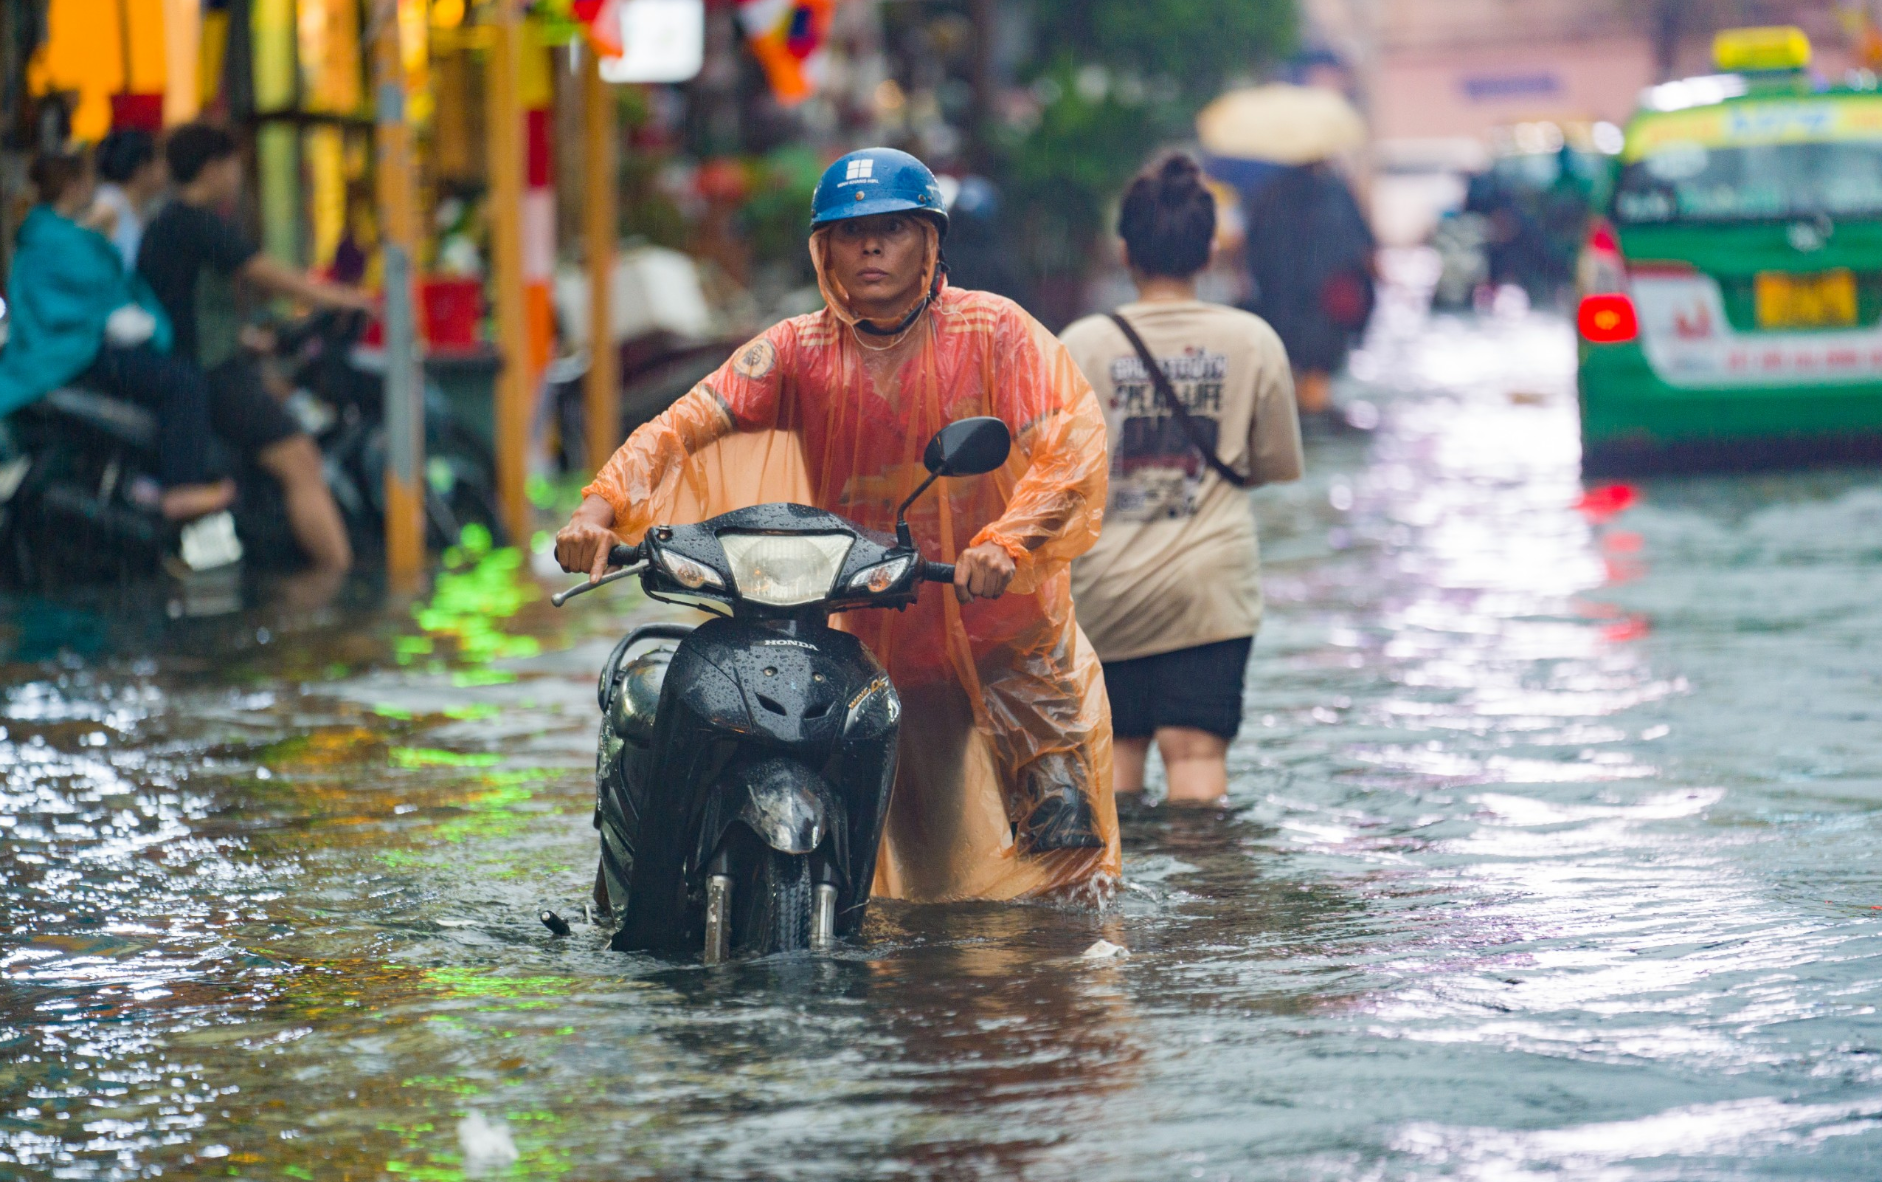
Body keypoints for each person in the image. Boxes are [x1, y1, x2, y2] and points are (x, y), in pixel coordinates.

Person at [555, 147, 1119, 902]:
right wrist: (596, 511)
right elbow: (680, 426)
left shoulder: (997, 333)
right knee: (924, 893)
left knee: (1070, 872)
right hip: (886, 644)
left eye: (891, 229)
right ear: (825, 251)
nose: (872, 247)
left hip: (1010, 639)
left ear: (930, 241)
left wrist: (1006, 543)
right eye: (851, 234)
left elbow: (1071, 448)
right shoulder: (796, 351)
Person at [1063, 152, 1303, 807]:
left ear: (1124, 250)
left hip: (1106, 587)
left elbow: (1053, 474)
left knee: (1114, 765)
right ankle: (1212, 906)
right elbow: (1276, 463)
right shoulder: (1253, 340)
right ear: (1210, 251)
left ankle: (1120, 910)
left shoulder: (1079, 346)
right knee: (1197, 758)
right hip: (1211, 589)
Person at [138, 122, 369, 573]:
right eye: (233, 166)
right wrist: (341, 297)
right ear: (212, 168)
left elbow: (184, 306)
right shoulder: (197, 224)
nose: (238, 177)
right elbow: (264, 272)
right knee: (300, 459)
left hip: (202, 363)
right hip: (212, 372)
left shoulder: (165, 224)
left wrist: (249, 339)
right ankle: (330, 578)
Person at [0, 149, 234, 521]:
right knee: (184, 381)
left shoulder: (44, 232)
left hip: (65, 347)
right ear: (75, 185)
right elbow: (94, 296)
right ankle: (181, 488)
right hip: (73, 350)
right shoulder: (62, 237)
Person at [1242, 158, 1374, 419]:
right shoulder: (1337, 193)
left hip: (1279, 305)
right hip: (1326, 308)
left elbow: (1252, 252)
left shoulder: (1269, 193)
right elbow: (1362, 250)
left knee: (1287, 384)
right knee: (1316, 385)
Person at [92, 127, 164, 270]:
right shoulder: (110, 200)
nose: (164, 168)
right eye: (159, 161)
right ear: (142, 168)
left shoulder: (141, 205)